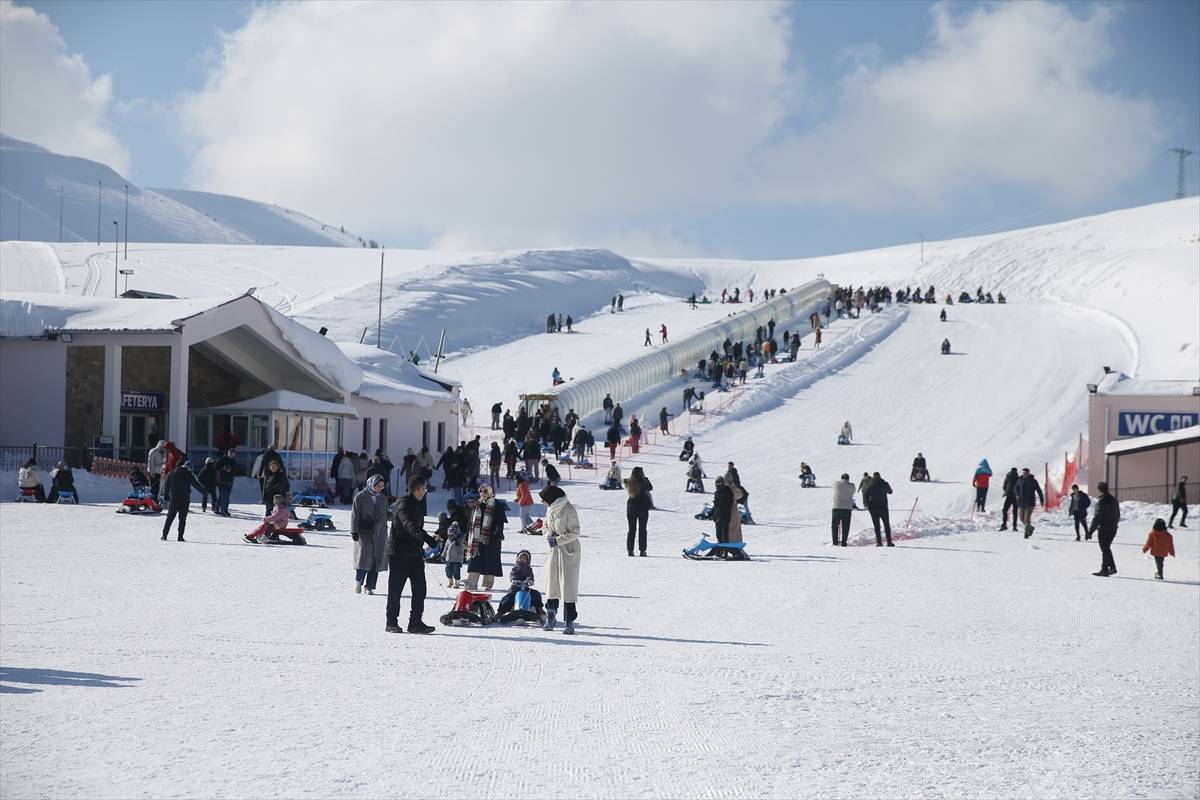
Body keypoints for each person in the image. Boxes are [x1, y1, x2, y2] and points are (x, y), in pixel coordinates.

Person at [385, 475, 438, 633]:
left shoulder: (417, 504)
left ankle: (415, 622)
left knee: (420, 589)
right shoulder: (403, 504)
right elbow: (409, 526)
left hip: (414, 554)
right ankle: (391, 622)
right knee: (396, 590)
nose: (423, 492)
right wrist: (427, 538)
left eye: (425, 489)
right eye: (420, 489)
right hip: (399, 553)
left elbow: (416, 528)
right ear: (413, 490)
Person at [540, 485, 581, 634]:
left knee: (567, 587)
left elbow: (575, 531)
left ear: (552, 499)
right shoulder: (550, 509)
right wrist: (548, 535)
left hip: (568, 550)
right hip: (554, 551)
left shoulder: (569, 510)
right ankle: (551, 616)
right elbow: (544, 526)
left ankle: (569, 621)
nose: (542, 503)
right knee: (552, 585)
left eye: (544, 500)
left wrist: (558, 540)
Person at [351, 474, 390, 595]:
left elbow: (386, 514)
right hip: (364, 532)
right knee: (364, 558)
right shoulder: (360, 496)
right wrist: (354, 530)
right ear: (371, 484)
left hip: (380, 533)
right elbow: (355, 514)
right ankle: (359, 581)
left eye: (382, 486)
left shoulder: (382, 498)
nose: (380, 488)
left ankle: (370, 586)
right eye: (378, 486)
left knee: (376, 560)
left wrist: (397, 515)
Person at [464, 484, 504, 591]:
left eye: (485, 491)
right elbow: (470, 522)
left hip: (491, 539)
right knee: (475, 561)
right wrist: (468, 536)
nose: (482, 493)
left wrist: (497, 533)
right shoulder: (478, 505)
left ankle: (487, 584)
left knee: (490, 562)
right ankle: (472, 582)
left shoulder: (497, 505)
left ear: (490, 492)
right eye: (481, 491)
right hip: (477, 540)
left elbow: (499, 522)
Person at [161, 461, 205, 542]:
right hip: (184, 499)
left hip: (174, 498)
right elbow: (196, 484)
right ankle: (180, 537)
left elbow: (166, 484)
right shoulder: (189, 474)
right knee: (182, 519)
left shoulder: (172, 472)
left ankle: (164, 535)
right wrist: (204, 492)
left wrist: (166, 497)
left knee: (170, 517)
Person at [497, 549, 544, 616]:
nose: (522, 559)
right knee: (506, 599)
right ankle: (500, 613)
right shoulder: (515, 568)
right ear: (517, 559)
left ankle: (540, 610)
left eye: (524, 558)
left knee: (536, 594)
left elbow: (530, 576)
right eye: (520, 558)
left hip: (526, 589)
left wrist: (530, 580)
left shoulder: (529, 569)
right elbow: (512, 575)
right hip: (515, 589)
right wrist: (513, 580)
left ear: (528, 560)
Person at [1088, 481, 1120, 577]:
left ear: (1099, 489)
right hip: (1113, 528)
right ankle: (1110, 568)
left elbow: (1097, 517)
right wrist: (1115, 523)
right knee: (1106, 548)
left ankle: (1106, 569)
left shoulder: (1101, 502)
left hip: (1104, 528)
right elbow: (1118, 514)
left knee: (1105, 549)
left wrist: (1090, 531)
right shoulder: (1114, 500)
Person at [864, 471, 894, 546]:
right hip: (883, 508)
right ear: (880, 476)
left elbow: (866, 497)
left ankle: (879, 542)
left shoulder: (870, 486)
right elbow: (890, 492)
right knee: (886, 525)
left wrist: (869, 506)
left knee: (876, 526)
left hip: (874, 509)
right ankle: (889, 542)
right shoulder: (884, 484)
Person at [625, 475, 651, 556]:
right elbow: (650, 487)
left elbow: (625, 482)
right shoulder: (644, 482)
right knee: (643, 530)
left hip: (631, 508)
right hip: (642, 508)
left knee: (631, 530)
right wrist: (646, 479)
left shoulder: (630, 481)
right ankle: (642, 550)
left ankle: (630, 550)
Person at [1015, 467, 1044, 538]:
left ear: (1028, 473)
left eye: (1026, 473)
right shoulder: (1020, 480)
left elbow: (1039, 490)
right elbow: (1015, 488)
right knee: (1021, 518)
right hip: (1021, 502)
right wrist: (1017, 494)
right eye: (1023, 473)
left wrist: (1042, 500)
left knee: (1027, 518)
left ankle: (1026, 533)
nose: (1024, 474)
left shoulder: (1033, 481)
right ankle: (1030, 528)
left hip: (1030, 502)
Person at [831, 473, 855, 546]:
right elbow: (853, 491)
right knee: (846, 526)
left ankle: (835, 542)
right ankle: (843, 542)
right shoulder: (851, 486)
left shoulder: (836, 484)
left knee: (835, 526)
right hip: (847, 508)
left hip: (836, 507)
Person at [443, 521, 466, 588]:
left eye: (452, 535)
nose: (450, 536)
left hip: (457, 559)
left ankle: (456, 583)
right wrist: (443, 554)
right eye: (449, 535)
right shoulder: (448, 540)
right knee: (448, 571)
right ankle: (450, 581)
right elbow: (446, 547)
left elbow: (464, 546)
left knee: (456, 571)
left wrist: (462, 545)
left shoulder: (460, 539)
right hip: (449, 559)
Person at [711, 477, 733, 543]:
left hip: (725, 516)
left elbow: (728, 503)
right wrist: (712, 513)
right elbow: (716, 505)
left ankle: (725, 550)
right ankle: (720, 550)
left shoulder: (728, 491)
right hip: (717, 516)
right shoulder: (716, 492)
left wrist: (719, 503)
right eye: (716, 485)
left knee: (725, 534)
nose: (718, 486)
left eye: (719, 484)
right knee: (718, 535)